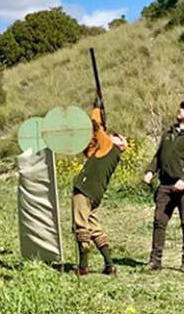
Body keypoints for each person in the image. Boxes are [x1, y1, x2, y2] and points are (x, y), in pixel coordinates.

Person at [143, 101, 184, 273]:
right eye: (181, 108)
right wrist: (150, 171)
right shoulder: (168, 134)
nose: (180, 110)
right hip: (165, 185)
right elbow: (158, 156)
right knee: (159, 222)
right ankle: (155, 261)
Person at [72, 100, 129, 277]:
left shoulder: (108, 146)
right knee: (94, 227)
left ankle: (83, 266)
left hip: (85, 188)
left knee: (80, 224)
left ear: (121, 145)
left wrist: (97, 109)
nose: (114, 134)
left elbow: (95, 125)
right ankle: (109, 264)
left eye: (118, 136)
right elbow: (88, 148)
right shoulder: (107, 152)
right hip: (95, 194)